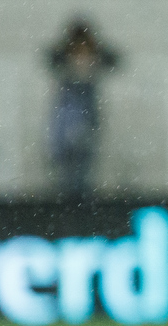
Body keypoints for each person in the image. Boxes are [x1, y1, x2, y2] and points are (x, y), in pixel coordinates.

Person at [46, 19, 119, 196]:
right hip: (70, 101)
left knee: (84, 148)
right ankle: (68, 186)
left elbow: (114, 59)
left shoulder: (95, 55)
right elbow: (51, 59)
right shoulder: (64, 56)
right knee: (66, 148)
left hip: (86, 101)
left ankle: (80, 187)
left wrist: (94, 55)